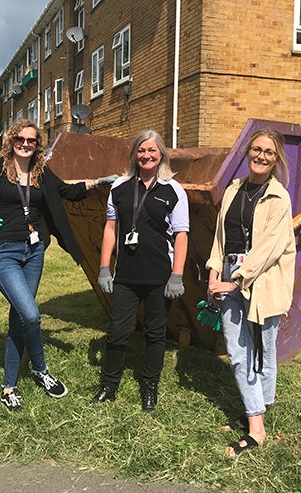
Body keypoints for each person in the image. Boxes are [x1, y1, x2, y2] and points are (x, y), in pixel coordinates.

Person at [0, 118, 115, 411]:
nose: (25, 144)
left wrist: (101, 181)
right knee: (32, 315)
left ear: (38, 145)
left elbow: (68, 192)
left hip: (33, 251)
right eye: (20, 139)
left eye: (31, 141)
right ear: (11, 141)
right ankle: (41, 369)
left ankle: (8, 386)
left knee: (20, 317)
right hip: (1, 251)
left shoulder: (41, 172)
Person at [205, 128, 295, 457]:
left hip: (263, 280)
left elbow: (270, 248)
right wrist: (215, 272)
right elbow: (220, 235)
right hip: (230, 274)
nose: (260, 156)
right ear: (247, 153)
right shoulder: (233, 190)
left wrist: (236, 280)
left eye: (268, 152)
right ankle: (256, 420)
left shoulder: (279, 198)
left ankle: (256, 420)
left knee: (261, 351)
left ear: (276, 158)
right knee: (239, 350)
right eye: (256, 149)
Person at [93, 130, 189, 412]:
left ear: (161, 154)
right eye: (141, 150)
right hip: (126, 275)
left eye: (152, 150)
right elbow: (110, 229)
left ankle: (149, 387)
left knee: (155, 334)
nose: (146, 156)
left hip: (160, 276)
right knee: (117, 332)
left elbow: (181, 234)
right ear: (134, 154)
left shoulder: (173, 189)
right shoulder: (120, 188)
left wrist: (177, 275)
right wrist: (103, 269)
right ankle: (108, 387)